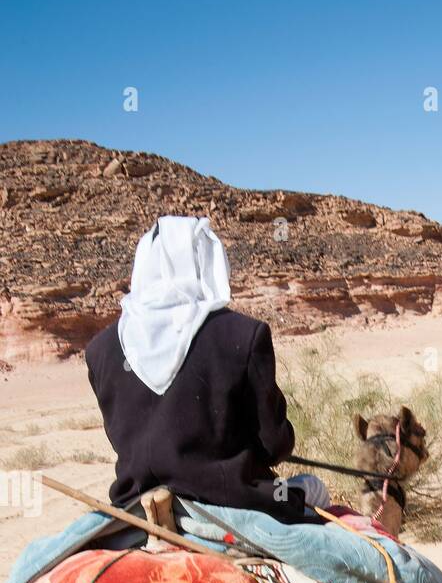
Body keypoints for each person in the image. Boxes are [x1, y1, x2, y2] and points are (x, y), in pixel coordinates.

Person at [85, 215, 326, 523]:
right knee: (314, 488)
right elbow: (274, 446)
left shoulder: (100, 350)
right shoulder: (244, 334)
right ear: (207, 262)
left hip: (134, 506)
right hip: (236, 501)